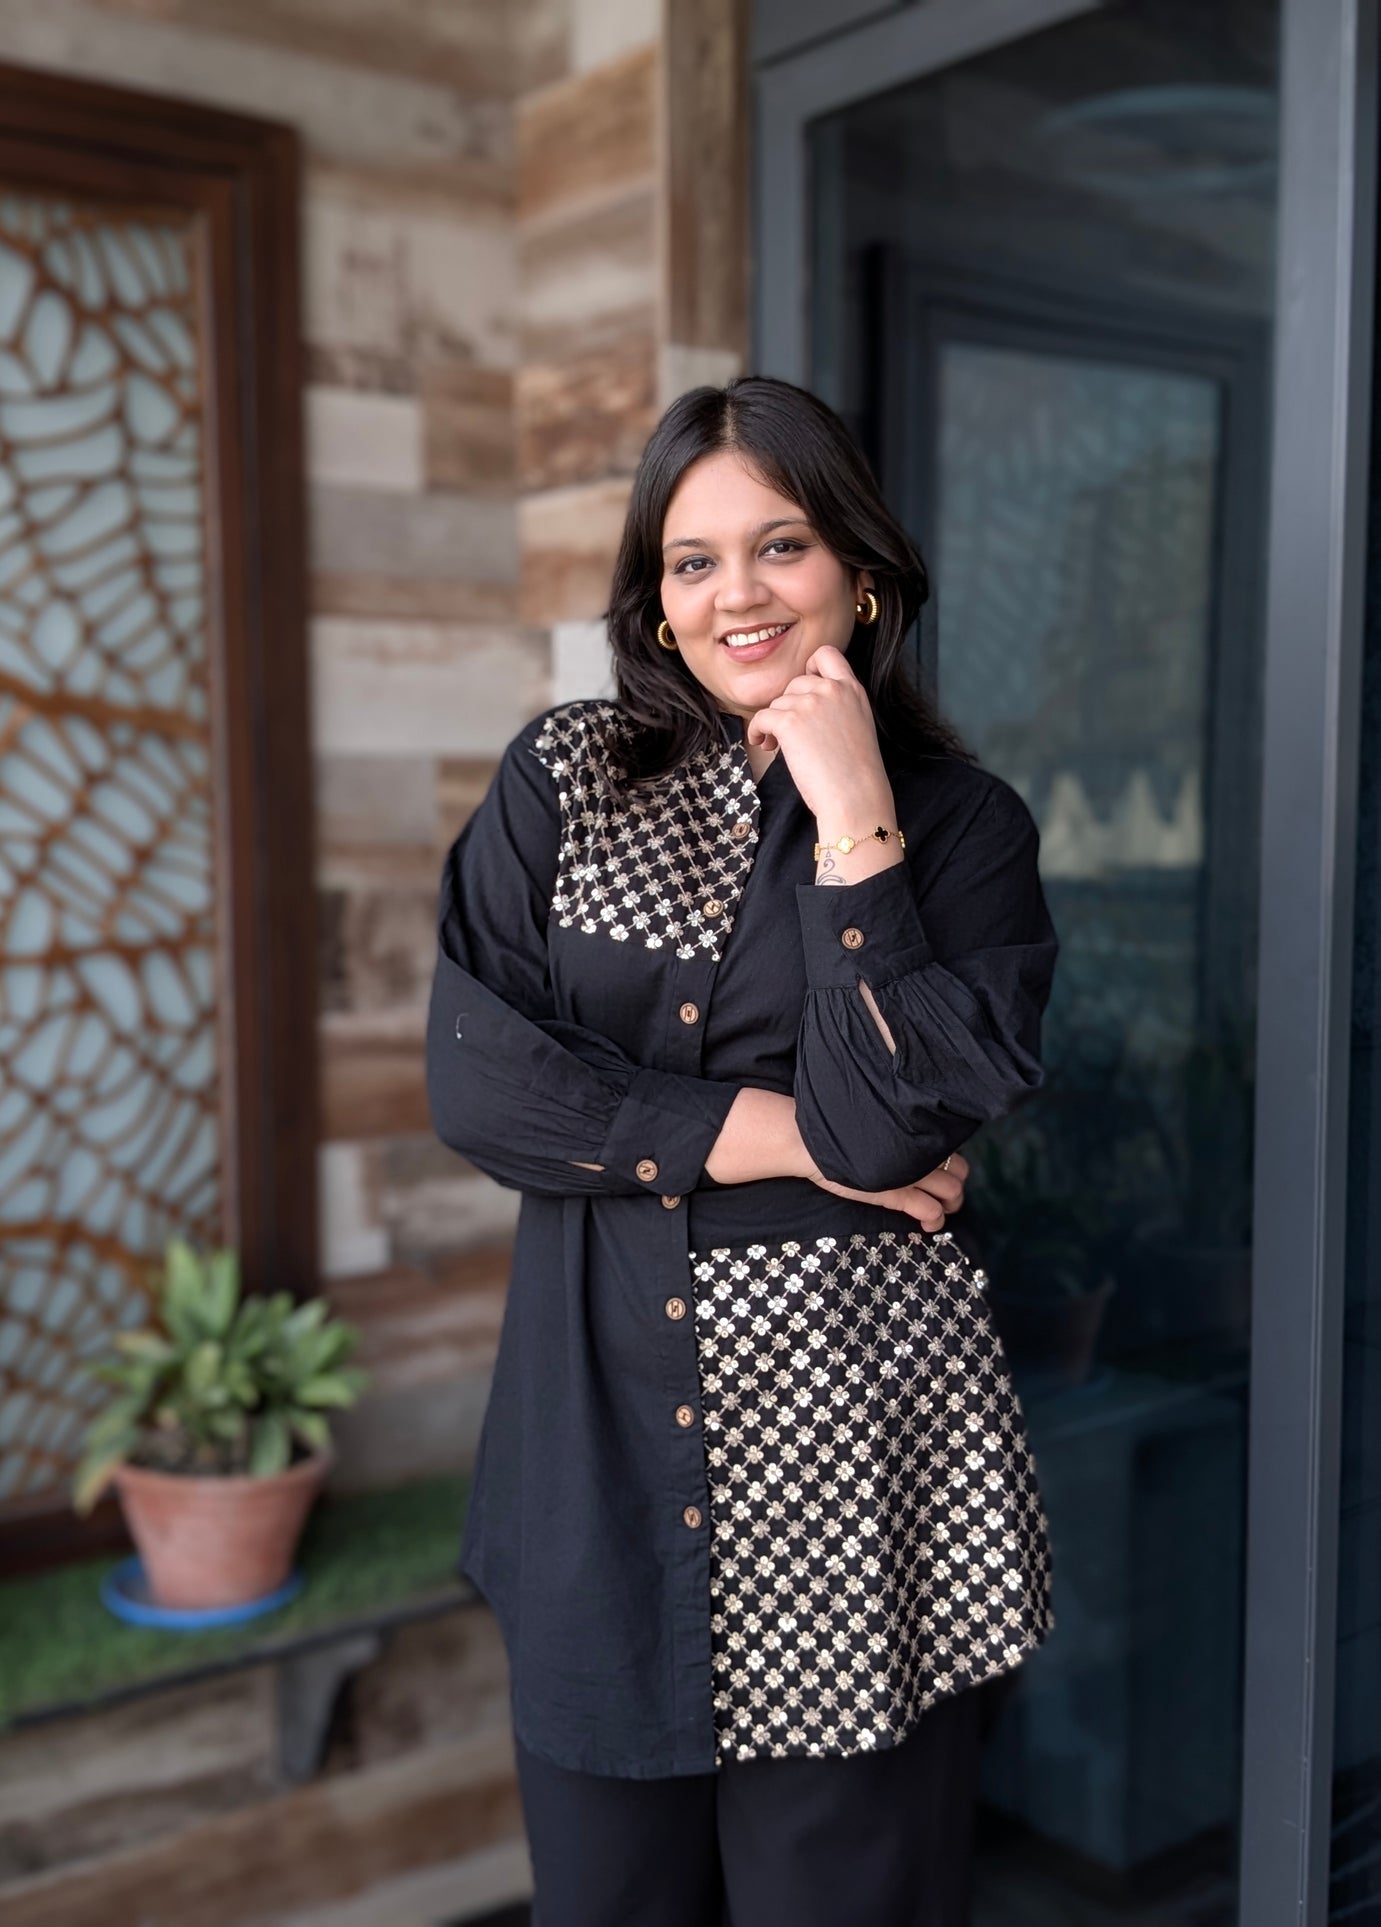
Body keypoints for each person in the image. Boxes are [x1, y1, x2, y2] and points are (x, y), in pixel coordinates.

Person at [427, 375, 1059, 1926]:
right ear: (655, 597)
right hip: (599, 1474)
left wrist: (852, 820)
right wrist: (765, 1128)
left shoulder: (963, 831)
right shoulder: (566, 781)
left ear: (860, 567)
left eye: (778, 547)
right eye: (693, 560)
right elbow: (478, 1080)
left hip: (852, 1482)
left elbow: (894, 1124)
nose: (737, 595)